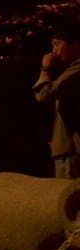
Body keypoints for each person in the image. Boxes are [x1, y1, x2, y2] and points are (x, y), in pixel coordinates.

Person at [33, 24, 80, 179]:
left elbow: (45, 94)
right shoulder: (71, 70)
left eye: (57, 44)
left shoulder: (77, 70)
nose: (54, 51)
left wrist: (45, 68)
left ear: (75, 43)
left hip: (72, 153)